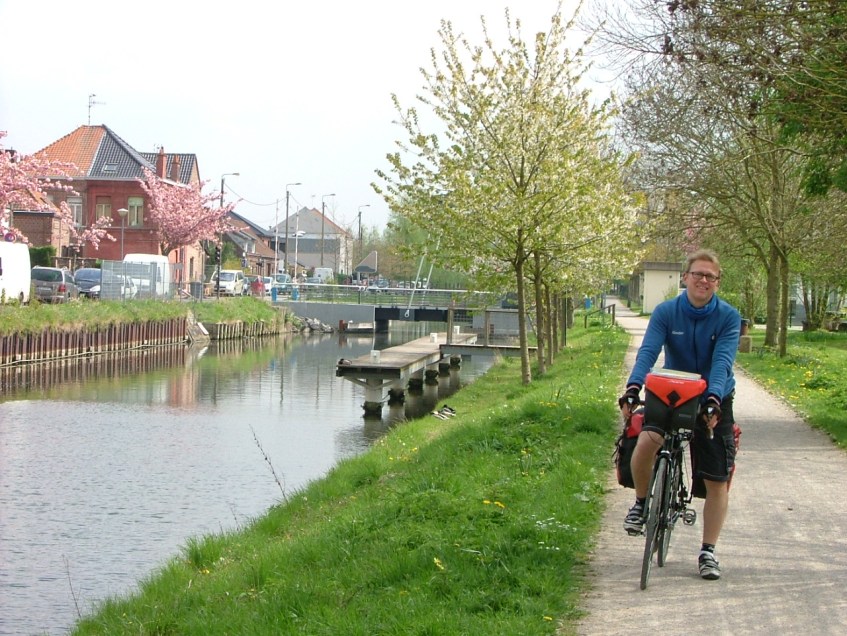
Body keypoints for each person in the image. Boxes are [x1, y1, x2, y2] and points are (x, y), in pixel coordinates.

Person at [619, 249, 741, 581]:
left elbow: (722, 362)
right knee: (647, 441)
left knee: (717, 478)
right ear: (684, 278)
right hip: (672, 390)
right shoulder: (666, 312)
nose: (703, 280)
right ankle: (642, 503)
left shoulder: (729, 317)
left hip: (712, 395)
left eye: (710, 276)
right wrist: (633, 387)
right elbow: (649, 350)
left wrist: (714, 399)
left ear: (717, 282)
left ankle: (708, 551)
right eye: (698, 274)